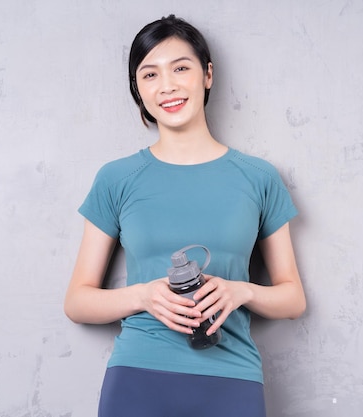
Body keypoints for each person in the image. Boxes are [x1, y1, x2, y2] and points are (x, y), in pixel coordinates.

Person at [64, 14, 306, 417]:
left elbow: (293, 298)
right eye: (149, 75)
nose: (168, 86)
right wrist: (143, 295)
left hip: (232, 378)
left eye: (180, 68)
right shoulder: (117, 178)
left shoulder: (258, 177)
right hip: (138, 378)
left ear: (207, 75)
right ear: (138, 90)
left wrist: (241, 291)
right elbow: (77, 301)